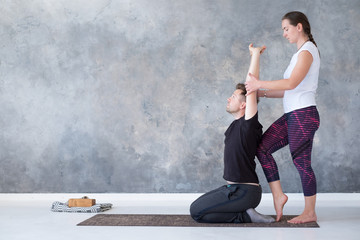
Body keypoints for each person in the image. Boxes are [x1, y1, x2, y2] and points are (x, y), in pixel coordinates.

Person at [245, 11, 320, 224]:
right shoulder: (298, 54)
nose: (284, 33)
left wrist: (260, 84)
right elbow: (286, 90)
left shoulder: (308, 51)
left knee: (302, 163)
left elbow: (291, 84)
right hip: (293, 116)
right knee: (262, 148)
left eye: (286, 29)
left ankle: (309, 212)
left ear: (299, 27)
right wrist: (261, 93)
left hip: (304, 115)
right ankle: (279, 195)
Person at [189, 44, 274, 224]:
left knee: (195, 211)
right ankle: (246, 214)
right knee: (199, 212)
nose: (229, 98)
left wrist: (255, 55)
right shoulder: (234, 126)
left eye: (234, 97)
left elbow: (251, 86)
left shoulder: (248, 125)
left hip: (245, 192)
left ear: (244, 104)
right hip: (232, 188)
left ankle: (246, 215)